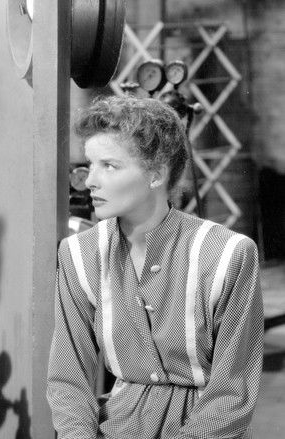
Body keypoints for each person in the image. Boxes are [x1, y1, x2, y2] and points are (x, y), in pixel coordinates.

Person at [47, 95, 263, 438]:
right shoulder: (78, 254)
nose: (89, 181)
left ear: (156, 175)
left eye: (109, 165)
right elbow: (67, 378)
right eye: (90, 164)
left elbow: (231, 394)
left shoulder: (227, 255)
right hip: (116, 426)